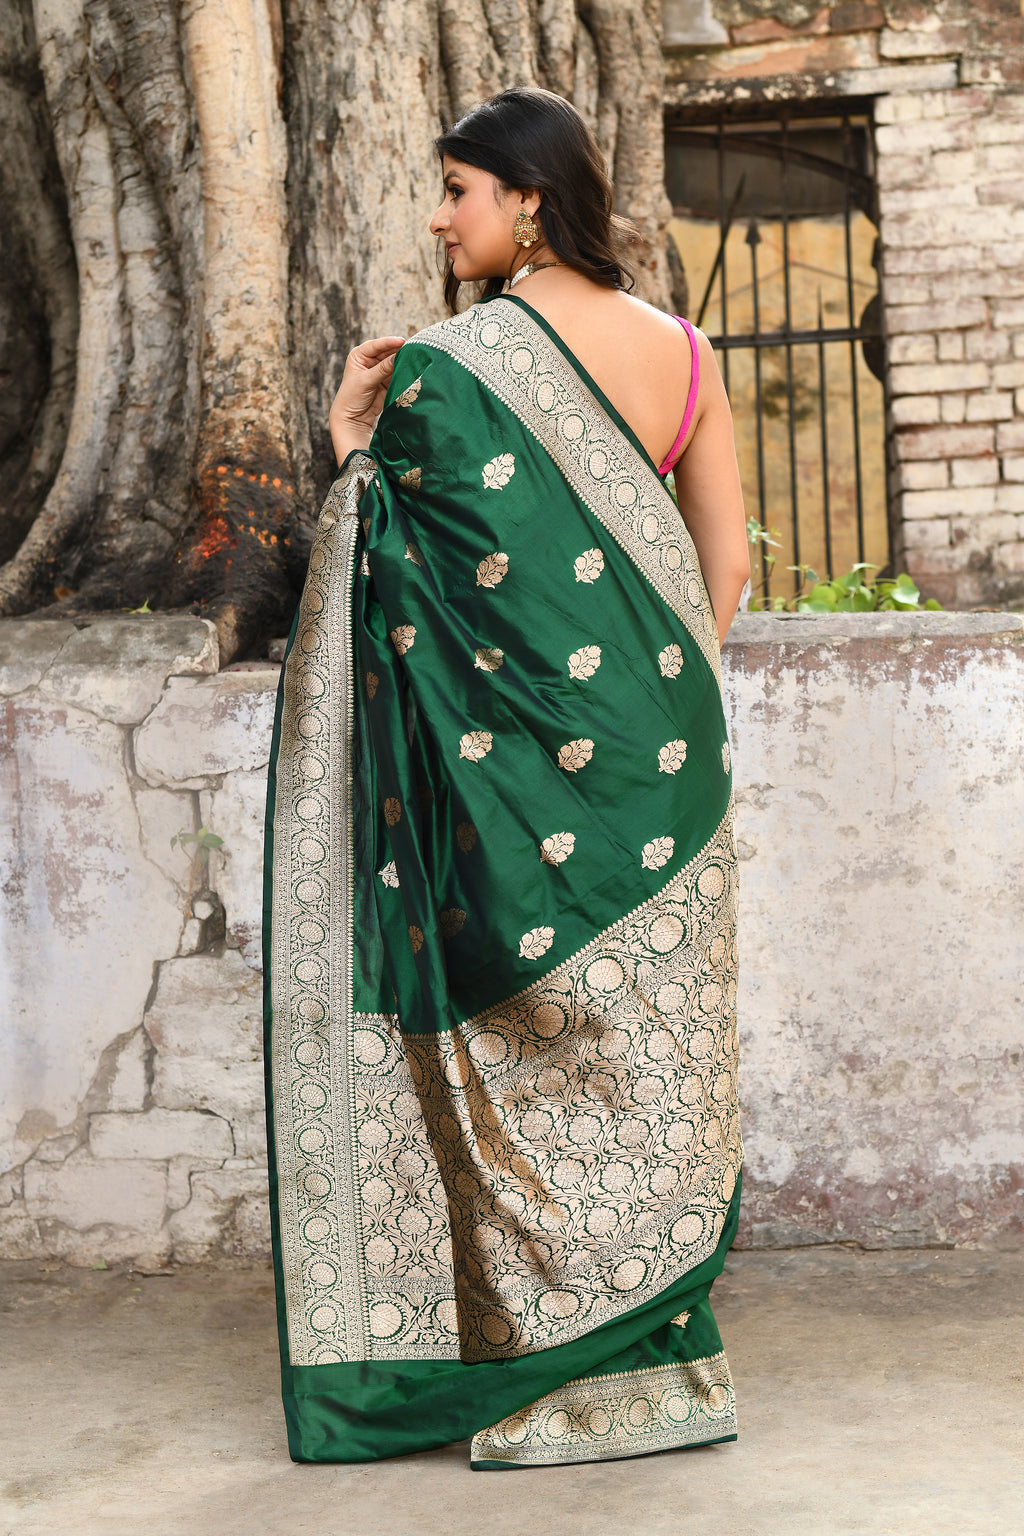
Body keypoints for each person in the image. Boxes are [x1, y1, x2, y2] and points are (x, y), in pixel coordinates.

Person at [263, 86, 749, 1471]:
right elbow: (725, 567)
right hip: (667, 764)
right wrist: (642, 712)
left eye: (458, 190)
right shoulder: (685, 350)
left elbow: (396, 574)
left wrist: (350, 448)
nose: (439, 217)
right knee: (645, 1059)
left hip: (510, 783)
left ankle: (550, 1359)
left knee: (526, 1046)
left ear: (529, 200)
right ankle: (667, 1367)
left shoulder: (449, 367)